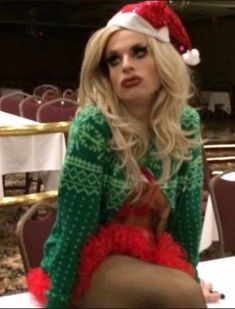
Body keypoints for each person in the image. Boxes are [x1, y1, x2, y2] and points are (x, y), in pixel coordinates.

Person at [27, 1, 221, 308]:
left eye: (139, 52)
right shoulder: (94, 126)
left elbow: (185, 221)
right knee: (181, 295)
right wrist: (58, 302)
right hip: (91, 262)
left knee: (184, 291)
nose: (125, 65)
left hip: (150, 257)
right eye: (113, 60)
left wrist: (189, 278)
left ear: (163, 57)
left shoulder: (186, 123)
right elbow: (74, 227)